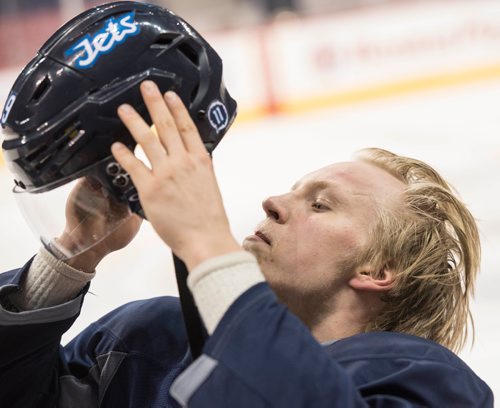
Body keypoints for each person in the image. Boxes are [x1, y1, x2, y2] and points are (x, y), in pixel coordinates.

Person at [0, 80, 493, 407]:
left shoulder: (428, 383)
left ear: (379, 270)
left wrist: (204, 242)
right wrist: (69, 258)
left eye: (320, 205)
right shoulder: (144, 338)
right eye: (294, 190)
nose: (273, 202)